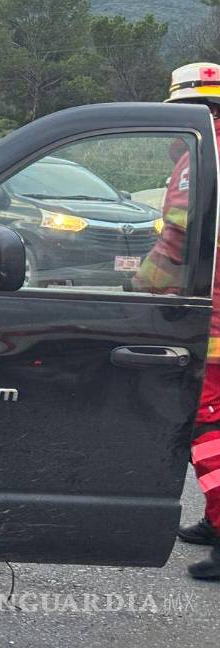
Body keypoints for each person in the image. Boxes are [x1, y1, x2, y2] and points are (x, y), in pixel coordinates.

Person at [140, 62, 220, 580]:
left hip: (210, 318)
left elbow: (178, 237)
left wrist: (139, 285)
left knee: (209, 429)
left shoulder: (202, 155)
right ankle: (214, 522)